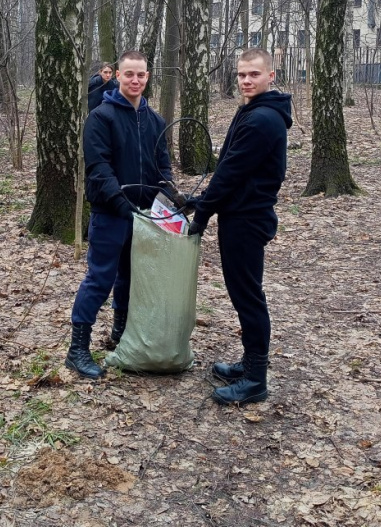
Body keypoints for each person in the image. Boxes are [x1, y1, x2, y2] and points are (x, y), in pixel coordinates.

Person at [188, 48, 292, 406]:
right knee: (243, 294)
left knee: (248, 298)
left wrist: (201, 216)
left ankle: (255, 379)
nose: (246, 80)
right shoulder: (252, 111)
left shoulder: (262, 120)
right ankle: (248, 364)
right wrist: (200, 201)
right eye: (241, 75)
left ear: (270, 76)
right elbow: (229, 168)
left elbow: (231, 173)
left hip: (247, 219)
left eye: (254, 74)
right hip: (239, 214)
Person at [66, 50, 173, 379]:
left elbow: (163, 165)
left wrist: (167, 196)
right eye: (129, 74)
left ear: (148, 76)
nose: (135, 80)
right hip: (111, 214)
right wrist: (121, 205)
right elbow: (99, 168)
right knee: (100, 278)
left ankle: (121, 333)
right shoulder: (101, 117)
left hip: (144, 217)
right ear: (118, 76)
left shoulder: (154, 121)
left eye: (141, 75)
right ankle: (78, 349)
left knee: (131, 278)